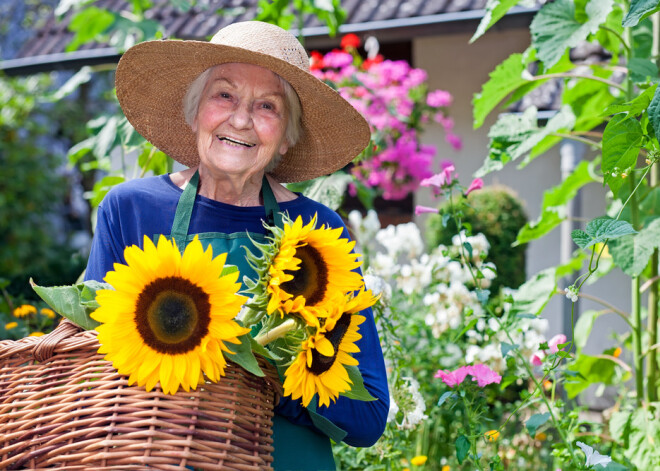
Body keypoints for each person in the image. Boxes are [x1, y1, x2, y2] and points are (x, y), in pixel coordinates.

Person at [84, 20, 389, 470]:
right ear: (194, 112)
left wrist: (266, 372)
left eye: (267, 106)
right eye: (224, 95)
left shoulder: (317, 231)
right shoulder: (131, 210)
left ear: (287, 137)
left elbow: (367, 417)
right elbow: (90, 370)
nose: (241, 119)